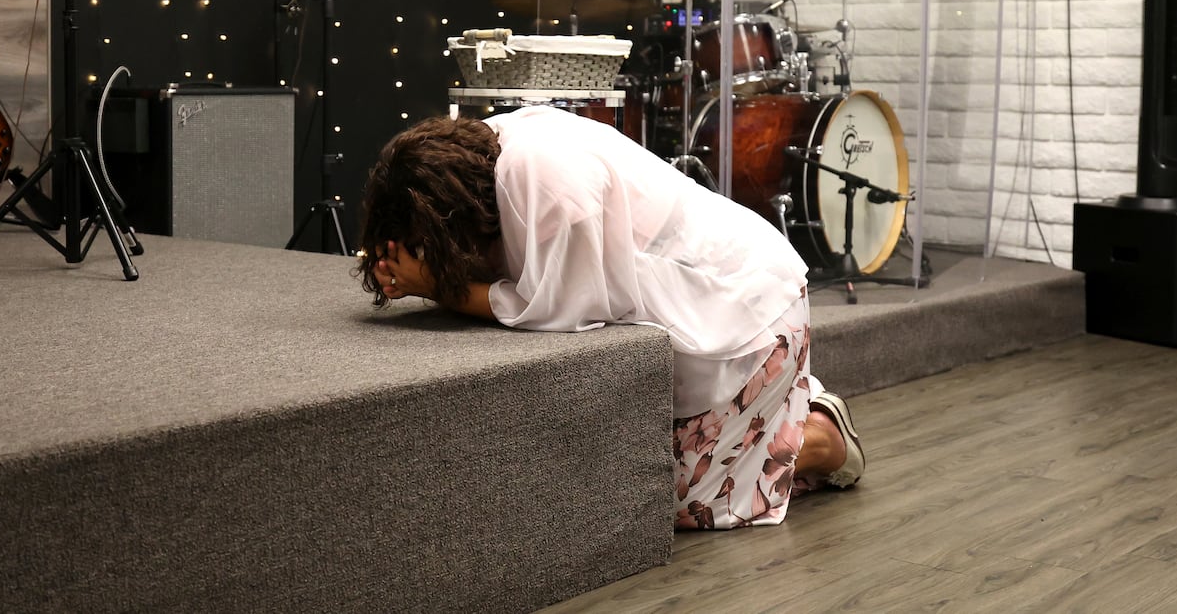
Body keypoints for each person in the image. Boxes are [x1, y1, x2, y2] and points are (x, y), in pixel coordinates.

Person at [357, 104, 864, 530]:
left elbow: (554, 307)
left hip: (746, 308)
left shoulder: (539, 172)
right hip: (700, 303)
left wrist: (437, 287)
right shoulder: (487, 153)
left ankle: (820, 434)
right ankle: (777, 412)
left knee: (688, 503)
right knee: (635, 473)